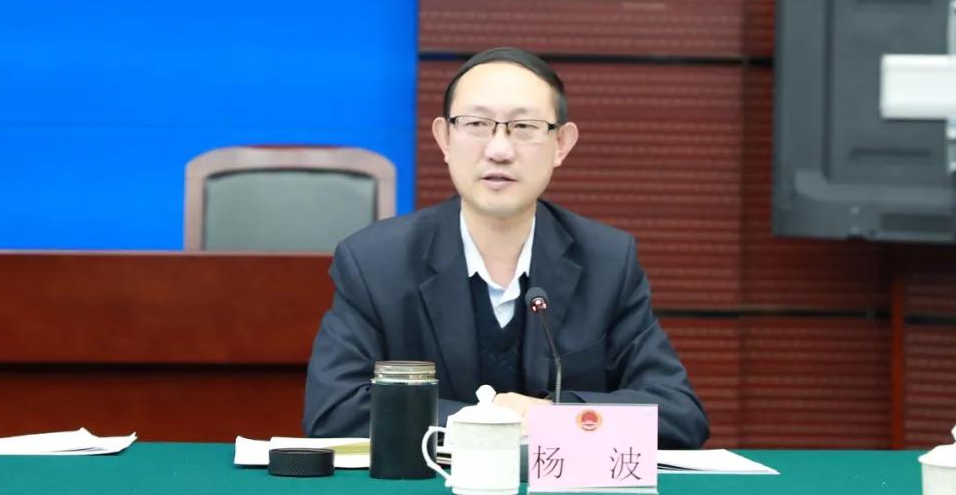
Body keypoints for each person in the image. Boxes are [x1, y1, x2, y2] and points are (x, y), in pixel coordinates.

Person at [302, 47, 709, 448]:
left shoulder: (606, 261)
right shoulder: (376, 263)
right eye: (477, 124)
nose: (499, 150)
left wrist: (552, 417)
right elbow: (334, 411)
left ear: (561, 143)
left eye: (524, 126)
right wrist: (485, 424)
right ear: (444, 138)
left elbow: (679, 415)